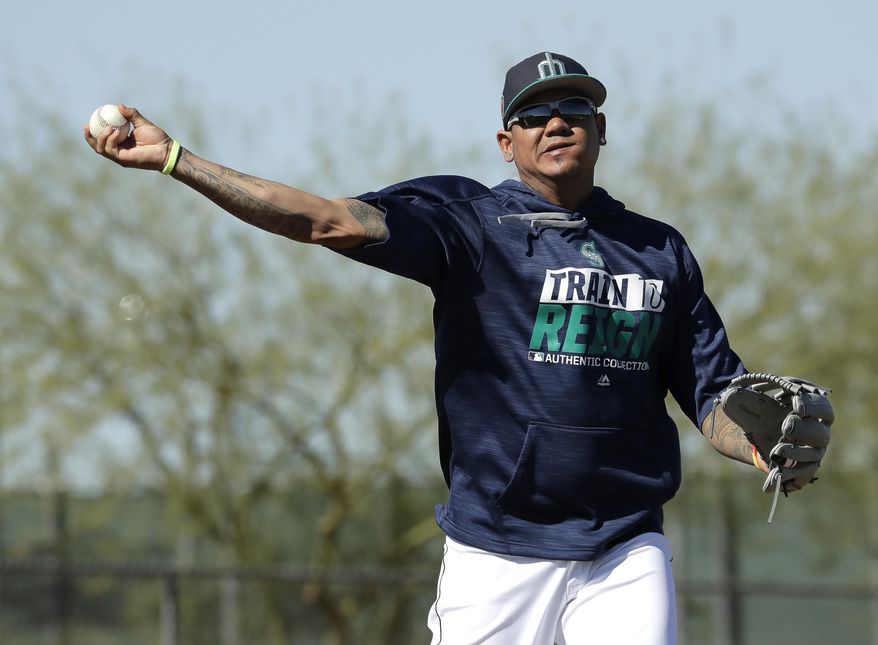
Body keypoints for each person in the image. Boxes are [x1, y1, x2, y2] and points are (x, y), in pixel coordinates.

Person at [85, 51, 827, 645]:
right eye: (534, 114)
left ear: (602, 130)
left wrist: (760, 444)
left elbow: (711, 394)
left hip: (623, 548)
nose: (556, 121)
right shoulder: (467, 224)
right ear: (507, 143)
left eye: (574, 108)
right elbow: (321, 221)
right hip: (497, 549)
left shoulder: (658, 250)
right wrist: (179, 158)